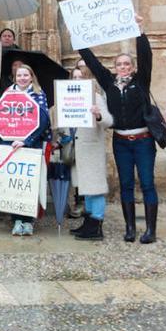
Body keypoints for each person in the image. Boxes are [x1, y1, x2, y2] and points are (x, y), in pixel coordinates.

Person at [78, 15, 159, 244]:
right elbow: (92, 63)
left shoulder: (141, 81)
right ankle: (130, 228)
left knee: (146, 182)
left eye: (126, 64)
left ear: (132, 68)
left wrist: (140, 32)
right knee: (125, 184)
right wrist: (79, 38)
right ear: (115, 68)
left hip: (143, 140)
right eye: (119, 64)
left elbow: (147, 58)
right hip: (121, 141)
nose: (123, 67)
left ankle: (151, 229)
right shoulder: (110, 83)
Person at [62, 67, 114, 241]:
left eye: (80, 77)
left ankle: (96, 224)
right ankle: (88, 223)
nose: (77, 80)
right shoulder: (67, 98)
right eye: (74, 77)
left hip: (91, 149)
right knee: (86, 187)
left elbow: (108, 121)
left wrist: (98, 115)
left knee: (95, 188)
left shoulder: (96, 98)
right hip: (77, 148)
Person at [1, 64, 50, 236]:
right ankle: (16, 220)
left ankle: (28, 221)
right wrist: (9, 138)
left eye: (25, 75)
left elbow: (43, 119)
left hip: (31, 143)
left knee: (28, 183)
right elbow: (1, 116)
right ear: (15, 78)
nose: (22, 78)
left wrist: (26, 140)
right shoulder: (8, 92)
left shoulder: (38, 93)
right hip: (11, 143)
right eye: (19, 75)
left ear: (31, 77)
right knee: (14, 183)